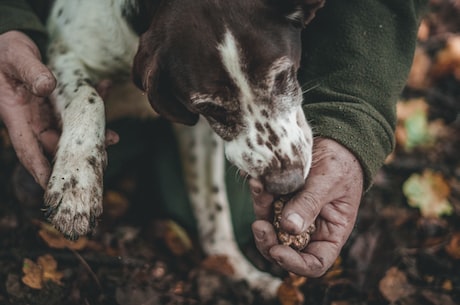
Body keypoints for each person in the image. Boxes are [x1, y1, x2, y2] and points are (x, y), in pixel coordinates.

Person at [0, 0, 428, 278]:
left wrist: (351, 121)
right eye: (216, 107)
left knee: (248, 223)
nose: (285, 161)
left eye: (280, 80)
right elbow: (67, 58)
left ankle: (215, 237)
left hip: (185, 75)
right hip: (116, 59)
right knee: (41, 153)